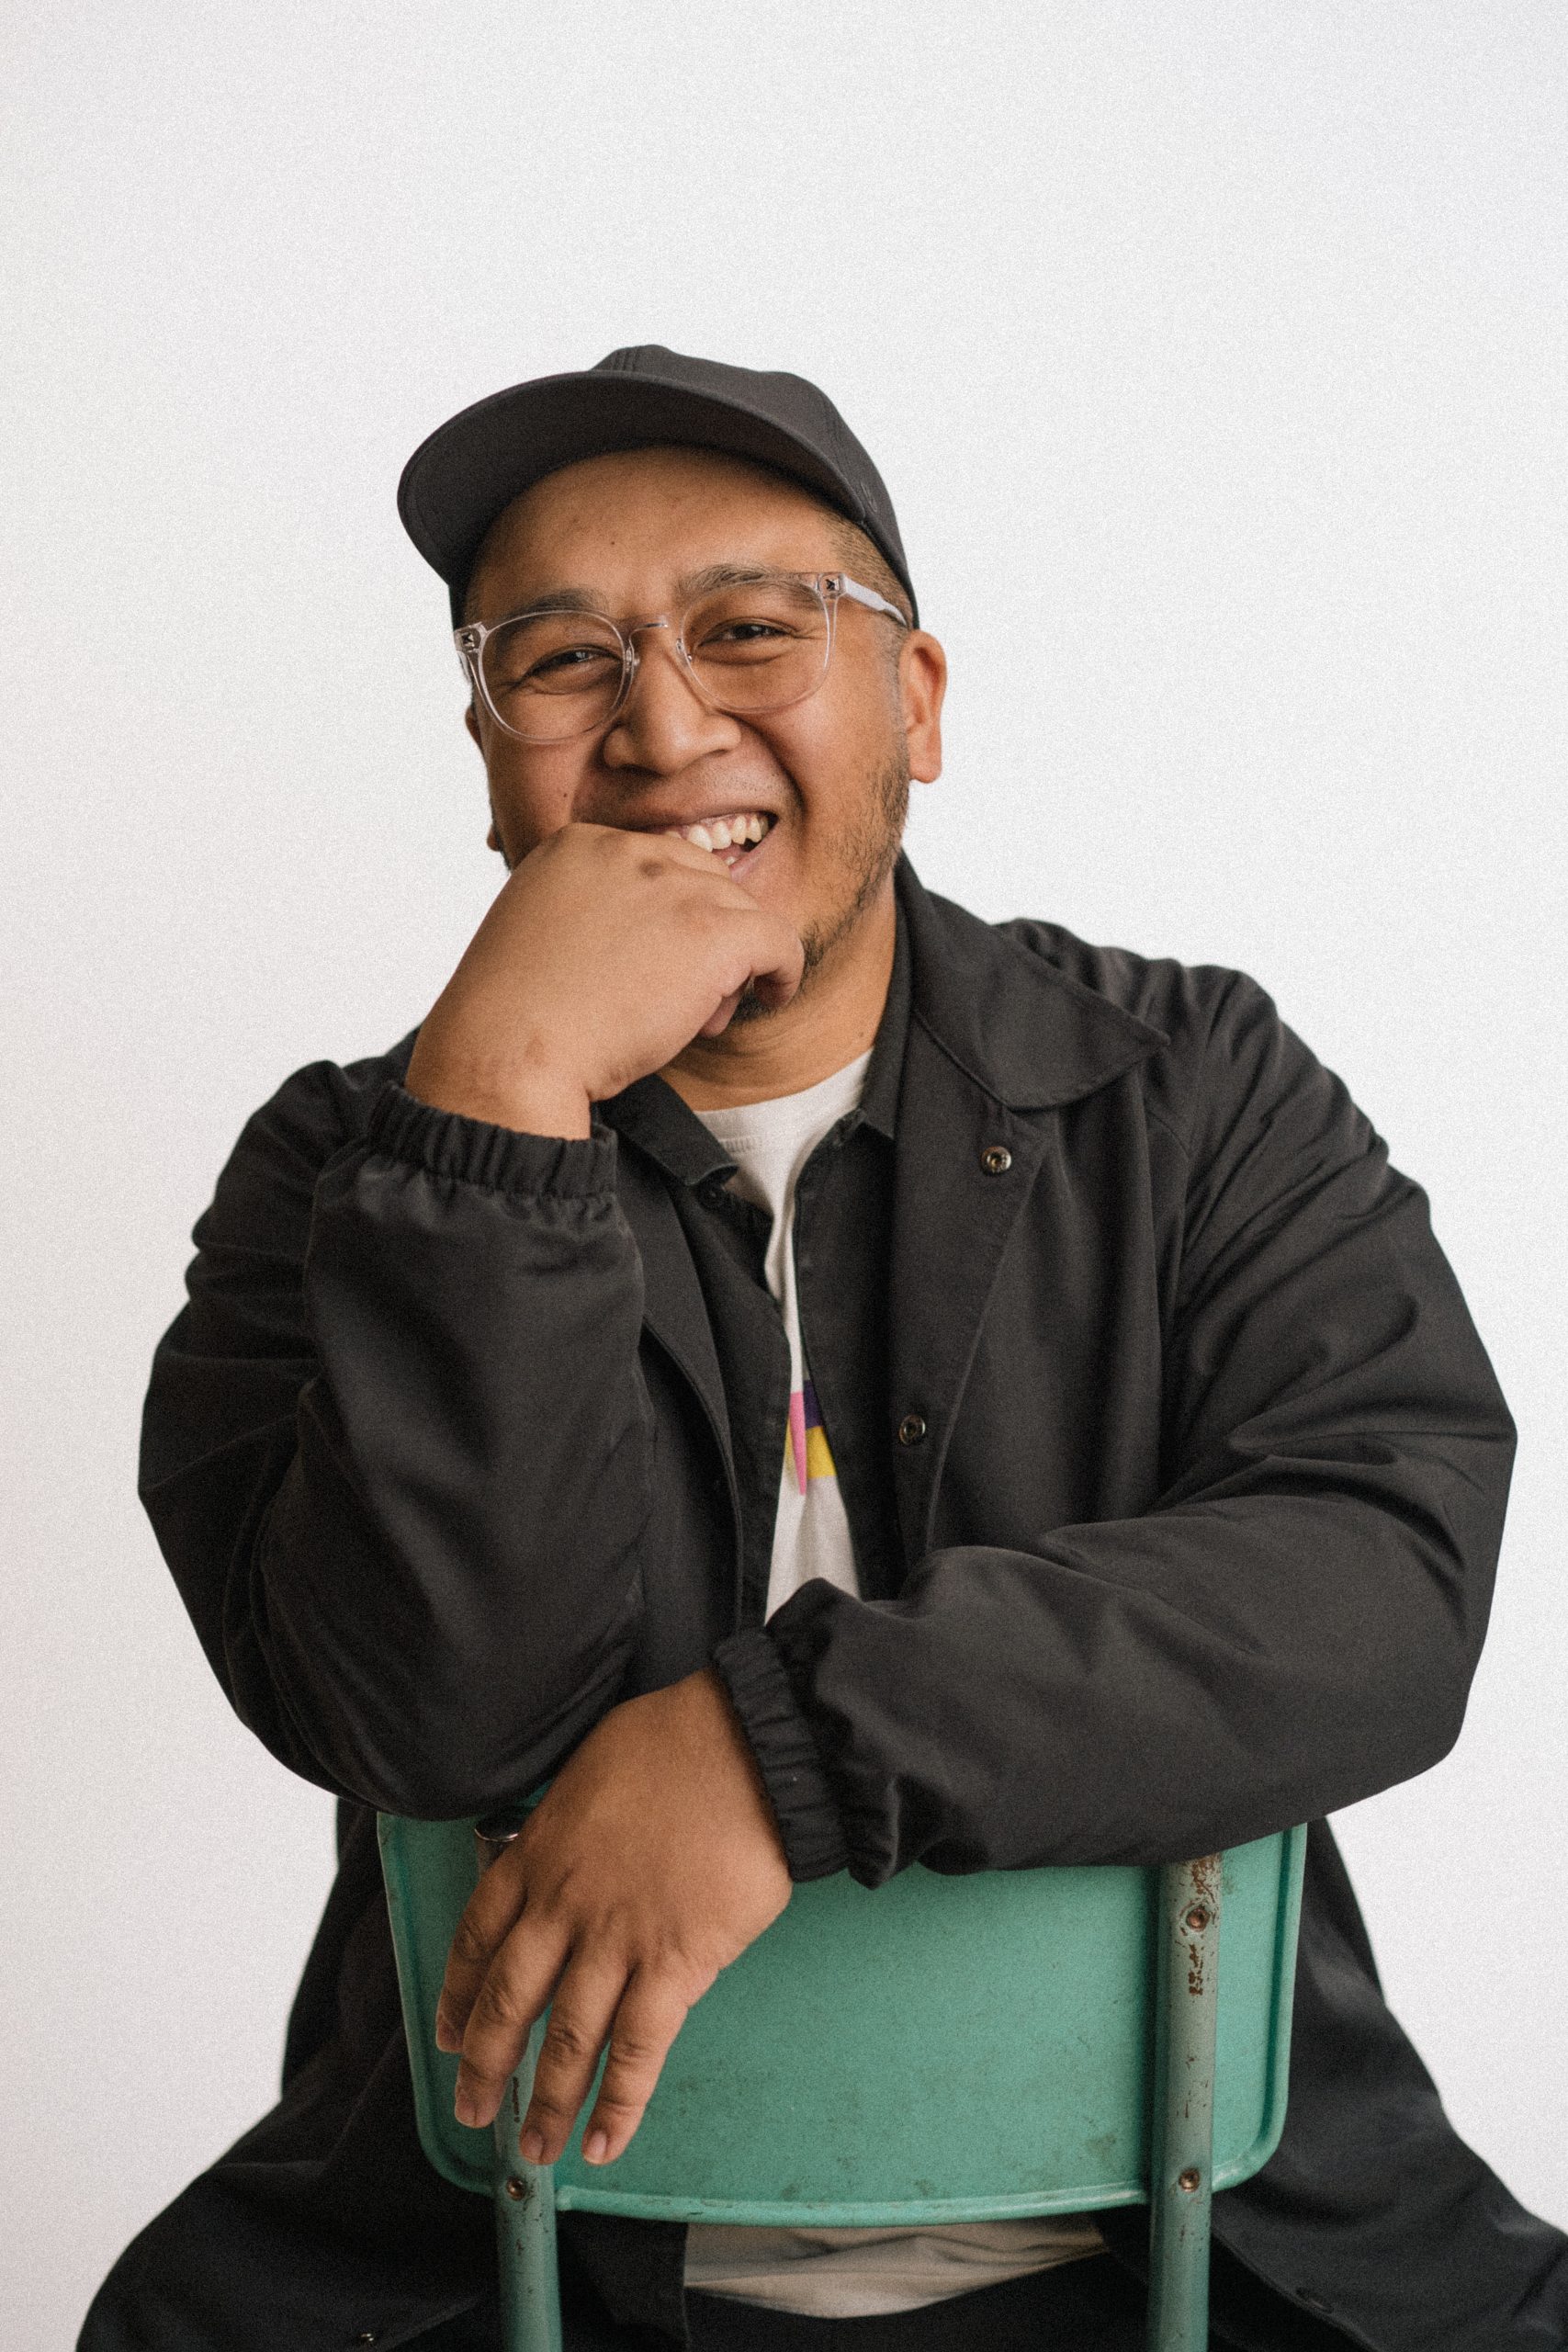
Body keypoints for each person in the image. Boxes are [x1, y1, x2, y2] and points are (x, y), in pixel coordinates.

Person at [81, 346, 1566, 2352]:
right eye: (562, 661)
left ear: (915, 701)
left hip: (1205, 2251)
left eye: (750, 629)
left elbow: (1381, 1576)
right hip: (509, 2262)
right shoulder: (346, 1173)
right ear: (489, 750)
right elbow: (427, 1717)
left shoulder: (1194, 1089)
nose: (662, 723)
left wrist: (775, 1749)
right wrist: (500, 1106)